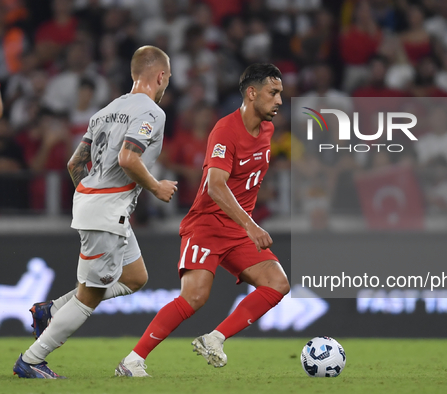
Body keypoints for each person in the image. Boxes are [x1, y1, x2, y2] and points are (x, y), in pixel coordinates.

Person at [12, 45, 177, 379]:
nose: (166, 85)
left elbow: (75, 163)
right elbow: (128, 159)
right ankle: (31, 360)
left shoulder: (104, 111)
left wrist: (90, 198)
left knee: (135, 278)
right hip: (107, 209)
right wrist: (156, 187)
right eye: (167, 79)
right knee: (89, 296)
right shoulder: (151, 113)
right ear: (160, 76)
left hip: (99, 203)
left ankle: (52, 310)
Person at [114, 63, 289, 378]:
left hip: (237, 230)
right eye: (273, 92)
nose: (279, 100)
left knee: (277, 284)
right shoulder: (225, 130)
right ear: (252, 92)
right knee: (194, 296)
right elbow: (215, 185)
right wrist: (251, 224)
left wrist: (246, 222)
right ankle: (132, 360)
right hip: (207, 226)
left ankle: (215, 338)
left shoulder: (267, 130)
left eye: (280, 94)